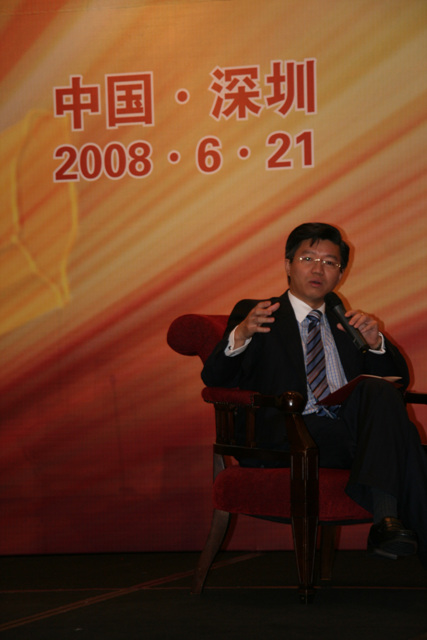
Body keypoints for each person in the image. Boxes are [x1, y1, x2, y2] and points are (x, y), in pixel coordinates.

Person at [202, 222, 427, 568]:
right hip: (289, 434)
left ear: (340, 274)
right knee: (408, 441)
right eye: (308, 258)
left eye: (330, 262)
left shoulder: (347, 323)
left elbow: (399, 381)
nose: (318, 269)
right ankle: (386, 520)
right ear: (288, 264)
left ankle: (387, 523)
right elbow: (215, 377)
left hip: (347, 432)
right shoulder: (259, 314)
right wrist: (242, 334)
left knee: (377, 390)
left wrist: (376, 345)